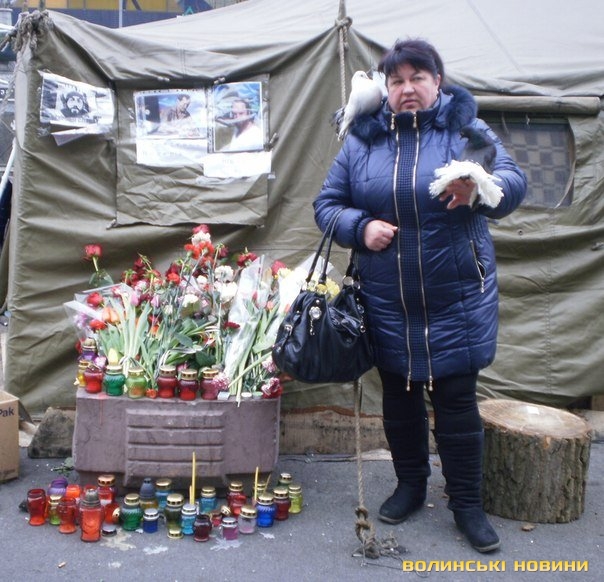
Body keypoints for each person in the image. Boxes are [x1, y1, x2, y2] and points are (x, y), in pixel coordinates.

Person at [313, 39, 527, 553]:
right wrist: (360, 228)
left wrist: (480, 190)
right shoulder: (362, 141)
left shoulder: (465, 131)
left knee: (456, 402)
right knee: (400, 398)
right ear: (385, 88)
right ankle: (410, 486)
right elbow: (327, 204)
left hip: (457, 296)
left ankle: (467, 506)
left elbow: (513, 181)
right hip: (387, 298)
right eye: (397, 81)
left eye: (418, 78)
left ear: (438, 82)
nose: (407, 89)